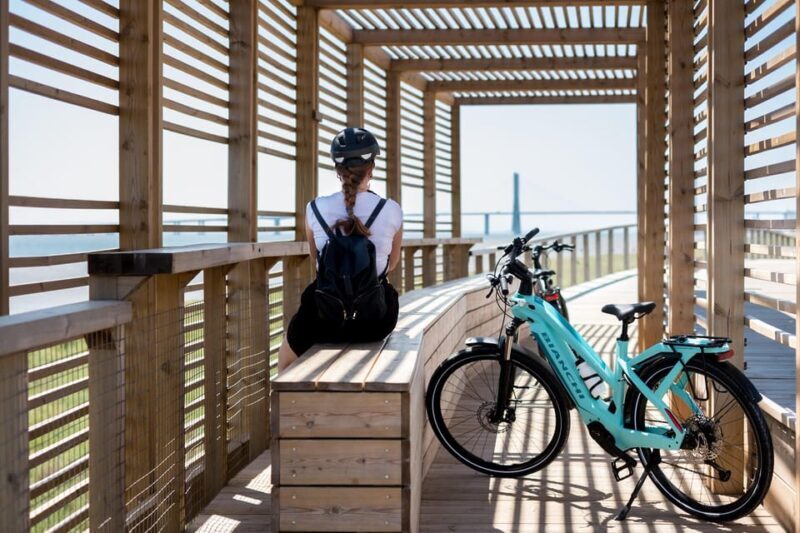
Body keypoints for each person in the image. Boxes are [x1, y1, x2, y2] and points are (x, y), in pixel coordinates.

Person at [278, 128, 403, 371]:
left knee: (285, 363)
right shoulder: (391, 210)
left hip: (324, 317)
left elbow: (317, 261)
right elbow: (392, 263)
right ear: (372, 167)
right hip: (375, 319)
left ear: (337, 170)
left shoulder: (314, 208)